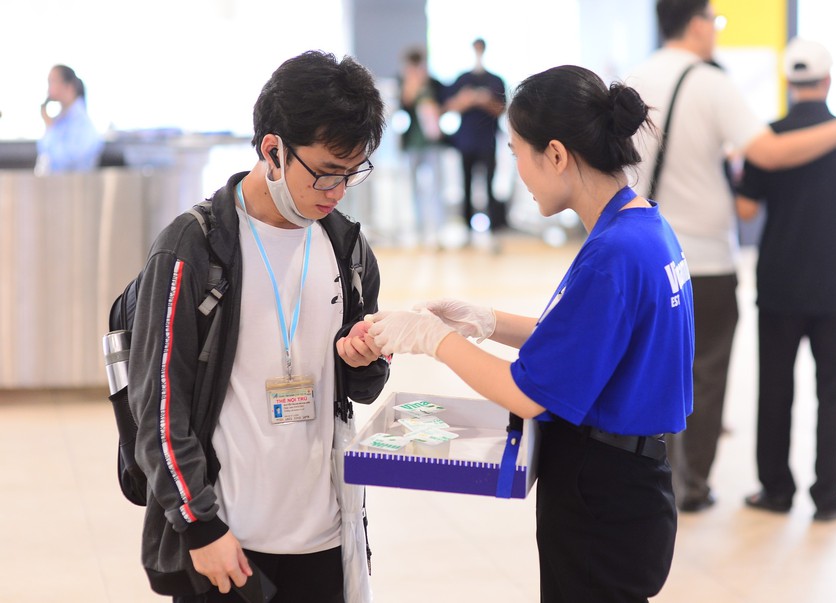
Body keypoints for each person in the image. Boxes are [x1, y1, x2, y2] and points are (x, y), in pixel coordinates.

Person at [367, 65, 695, 603]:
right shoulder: (642, 228)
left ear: (558, 155)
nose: (515, 169)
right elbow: (588, 342)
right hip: (633, 485)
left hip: (603, 498)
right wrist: (488, 322)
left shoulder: (611, 256)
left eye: (517, 152)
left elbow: (526, 392)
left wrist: (435, 340)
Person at [127, 50, 390, 602]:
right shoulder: (194, 248)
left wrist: (364, 360)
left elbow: (361, 387)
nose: (336, 192)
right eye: (324, 173)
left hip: (325, 539)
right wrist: (199, 526)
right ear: (273, 150)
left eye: (351, 175)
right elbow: (157, 405)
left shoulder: (346, 247)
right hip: (229, 544)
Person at [626, 0, 836, 513]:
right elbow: (767, 157)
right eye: (714, 20)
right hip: (741, 265)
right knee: (713, 376)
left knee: (658, 371)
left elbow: (751, 196)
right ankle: (710, 487)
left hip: (654, 252)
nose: (716, 30)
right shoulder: (713, 84)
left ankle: (742, 487)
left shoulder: (633, 78)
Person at [736, 38, 836, 522]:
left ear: (790, 83)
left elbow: (746, 207)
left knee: (775, 389)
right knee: (832, 393)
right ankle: (828, 497)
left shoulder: (770, 138)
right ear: (827, 81)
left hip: (782, 283)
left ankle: (775, 490)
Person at [444, 38, 507, 239]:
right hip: (466, 141)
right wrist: (468, 100)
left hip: (487, 140)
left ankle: (494, 227)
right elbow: (450, 106)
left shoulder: (495, 80)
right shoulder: (462, 79)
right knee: (466, 184)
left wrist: (485, 101)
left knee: (489, 184)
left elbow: (501, 109)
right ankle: (467, 227)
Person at [398, 46, 447, 248]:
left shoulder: (433, 83)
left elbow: (442, 107)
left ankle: (436, 232)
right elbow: (403, 104)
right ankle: (416, 230)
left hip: (432, 143)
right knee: (413, 189)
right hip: (411, 143)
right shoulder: (403, 83)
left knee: (435, 188)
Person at [36, 64, 103, 173]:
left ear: (69, 86)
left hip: (73, 185)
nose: (49, 89)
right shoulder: (59, 121)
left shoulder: (82, 124)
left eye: (52, 81)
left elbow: (64, 162)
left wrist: (50, 128)